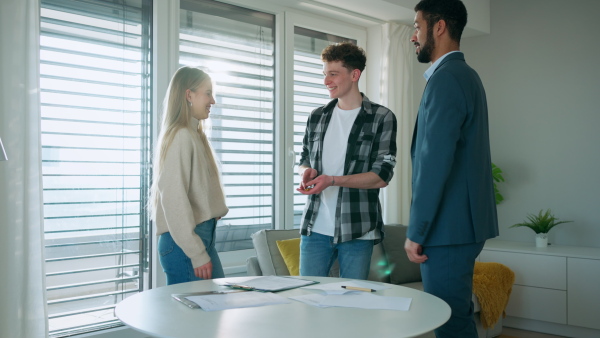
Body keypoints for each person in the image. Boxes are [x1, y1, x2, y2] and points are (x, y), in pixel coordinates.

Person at [404, 0, 499, 336]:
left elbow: (434, 162)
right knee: (455, 317)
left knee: (449, 320)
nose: (413, 36)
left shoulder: (447, 79)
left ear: (439, 26)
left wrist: (417, 230)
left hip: (448, 228)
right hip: (461, 224)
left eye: (417, 26)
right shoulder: (464, 75)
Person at [297, 42, 397, 280]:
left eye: (333, 74)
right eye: (324, 74)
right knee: (307, 298)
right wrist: (305, 171)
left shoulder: (381, 117)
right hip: (315, 229)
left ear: (354, 75)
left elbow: (381, 177)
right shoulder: (317, 117)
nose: (326, 81)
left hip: (357, 230)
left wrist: (332, 180)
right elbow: (303, 158)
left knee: (352, 304)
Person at [150, 66, 229, 285]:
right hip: (186, 242)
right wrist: (196, 253)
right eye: (208, 93)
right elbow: (173, 198)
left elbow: (194, 188)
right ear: (189, 95)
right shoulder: (182, 136)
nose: (212, 100)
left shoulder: (194, 135)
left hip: (198, 237)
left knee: (212, 312)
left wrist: (210, 208)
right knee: (197, 317)